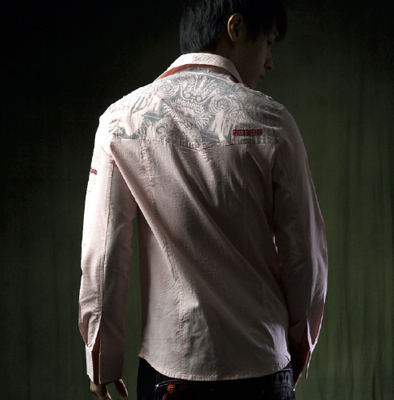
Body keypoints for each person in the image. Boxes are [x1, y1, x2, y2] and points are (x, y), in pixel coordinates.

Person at [78, 0, 328, 399]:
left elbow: (103, 255)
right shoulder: (273, 123)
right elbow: (305, 260)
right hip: (263, 365)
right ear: (236, 28)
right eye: (268, 42)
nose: (270, 62)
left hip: (169, 372)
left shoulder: (119, 122)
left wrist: (101, 358)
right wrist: (297, 346)